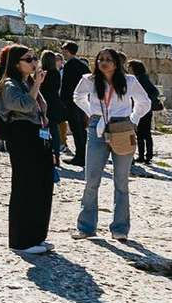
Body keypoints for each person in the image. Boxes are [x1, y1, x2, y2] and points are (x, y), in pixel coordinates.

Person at [72, 47, 154, 240]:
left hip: (122, 128)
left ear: (116, 63)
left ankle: (120, 229)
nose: (104, 62)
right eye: (100, 59)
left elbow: (144, 102)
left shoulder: (129, 81)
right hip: (97, 127)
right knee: (91, 179)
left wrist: (133, 119)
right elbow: (77, 96)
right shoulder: (89, 80)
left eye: (108, 59)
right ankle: (86, 227)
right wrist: (91, 112)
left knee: (121, 181)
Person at [0, 44, 55, 255]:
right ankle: (21, 240)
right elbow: (24, 105)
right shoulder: (9, 85)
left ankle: (37, 235)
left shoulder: (27, 82)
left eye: (35, 58)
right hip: (22, 136)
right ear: (16, 64)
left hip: (37, 135)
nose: (34, 62)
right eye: (29, 59)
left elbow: (41, 108)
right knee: (25, 186)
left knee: (41, 186)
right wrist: (37, 85)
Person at [57, 42, 91, 165]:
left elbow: (66, 86)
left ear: (67, 50)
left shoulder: (69, 65)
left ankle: (80, 157)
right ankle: (84, 155)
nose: (62, 52)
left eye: (63, 49)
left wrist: (62, 102)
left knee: (76, 129)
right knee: (81, 129)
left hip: (71, 102)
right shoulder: (82, 65)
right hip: (82, 101)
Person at [39, 50, 70, 166]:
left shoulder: (42, 73)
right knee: (54, 131)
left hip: (44, 104)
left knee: (43, 129)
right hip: (54, 103)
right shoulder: (56, 73)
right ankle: (56, 156)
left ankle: (45, 153)